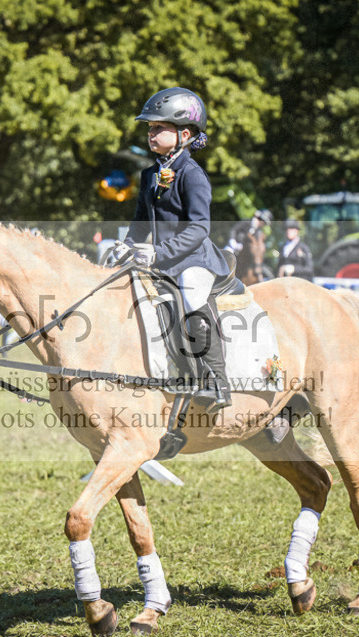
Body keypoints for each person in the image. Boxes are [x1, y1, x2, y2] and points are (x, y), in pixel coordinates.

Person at [114, 87, 231, 412]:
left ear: (185, 135)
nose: (150, 133)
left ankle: (215, 381)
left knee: (191, 295)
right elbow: (140, 224)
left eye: (158, 128)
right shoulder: (150, 174)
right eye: (150, 128)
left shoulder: (193, 175)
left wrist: (158, 253)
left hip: (194, 260)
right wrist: (127, 248)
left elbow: (199, 228)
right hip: (162, 261)